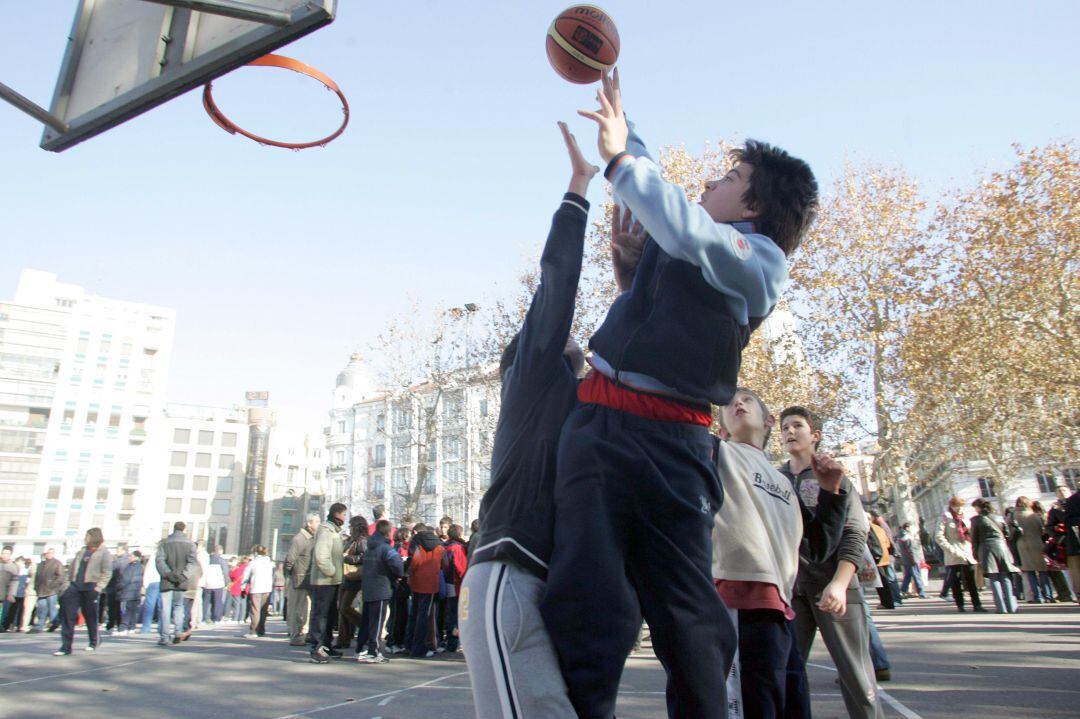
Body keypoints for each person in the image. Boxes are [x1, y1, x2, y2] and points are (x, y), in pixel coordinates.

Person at [542, 68, 818, 719]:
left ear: (753, 209)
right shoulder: (685, 244)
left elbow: (689, 231)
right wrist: (626, 127)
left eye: (727, 181)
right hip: (601, 429)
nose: (709, 184)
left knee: (692, 619)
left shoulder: (759, 261)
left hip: (675, 448)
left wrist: (620, 157)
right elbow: (670, 277)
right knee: (591, 602)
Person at [460, 120, 593, 719]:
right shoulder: (535, 370)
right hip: (506, 575)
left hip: (544, 578)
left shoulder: (572, 403)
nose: (576, 340)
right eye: (566, 338)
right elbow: (557, 284)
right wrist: (577, 191)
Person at [712, 389, 847, 718]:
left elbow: (816, 546)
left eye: (747, 399)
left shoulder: (783, 482)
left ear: (769, 419)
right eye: (729, 402)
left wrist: (831, 492)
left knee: (793, 706)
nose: (738, 403)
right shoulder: (717, 453)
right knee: (755, 707)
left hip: (782, 610)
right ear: (722, 429)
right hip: (739, 600)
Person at [779, 406, 884, 719]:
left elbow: (854, 534)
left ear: (815, 435)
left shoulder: (835, 477)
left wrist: (839, 584)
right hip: (790, 593)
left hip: (835, 589)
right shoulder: (774, 478)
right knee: (784, 678)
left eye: (798, 425)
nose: (789, 431)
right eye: (785, 426)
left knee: (857, 679)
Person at [55, 528, 113, 655]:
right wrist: (66, 585)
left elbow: (107, 572)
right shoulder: (82, 551)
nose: (85, 538)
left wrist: (98, 588)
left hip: (91, 587)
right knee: (68, 616)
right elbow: (72, 569)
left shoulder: (104, 552)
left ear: (94, 537)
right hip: (74, 587)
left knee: (90, 616)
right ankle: (66, 646)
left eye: (87, 536)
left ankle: (94, 640)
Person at [357, 519, 404, 663]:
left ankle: (361, 648)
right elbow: (397, 565)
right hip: (381, 587)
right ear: (388, 532)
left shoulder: (370, 546)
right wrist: (399, 575)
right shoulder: (386, 548)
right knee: (377, 622)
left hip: (368, 586)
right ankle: (374, 651)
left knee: (366, 620)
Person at [309, 503, 347, 663]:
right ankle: (317, 647)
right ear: (337, 514)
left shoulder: (334, 531)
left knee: (330, 614)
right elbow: (321, 555)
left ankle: (326, 645)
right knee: (321, 615)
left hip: (332, 580)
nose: (345, 518)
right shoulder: (326, 531)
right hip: (324, 580)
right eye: (344, 514)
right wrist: (332, 571)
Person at [936, 497, 985, 612]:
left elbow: (971, 532)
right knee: (955, 580)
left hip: (967, 551)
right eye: (957, 506)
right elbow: (938, 536)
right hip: (954, 552)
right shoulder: (945, 517)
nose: (959, 508)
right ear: (952, 506)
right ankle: (960, 604)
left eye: (961, 506)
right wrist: (951, 549)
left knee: (971, 579)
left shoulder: (965, 516)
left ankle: (977, 604)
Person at [970, 499, 1018, 613]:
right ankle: (1011, 606)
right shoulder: (999, 517)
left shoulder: (976, 520)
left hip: (986, 548)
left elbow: (974, 538)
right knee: (1005, 576)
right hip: (1001, 546)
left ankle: (1001, 607)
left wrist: (975, 553)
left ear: (978, 507)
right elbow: (1007, 533)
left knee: (994, 577)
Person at [405, 523, 444, 658]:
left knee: (414, 614)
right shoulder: (439, 545)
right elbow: (445, 564)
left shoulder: (417, 543)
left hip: (416, 581)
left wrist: (410, 573)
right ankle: (419, 648)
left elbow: (414, 561)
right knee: (424, 616)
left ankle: (409, 645)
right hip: (431, 583)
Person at [156, 521, 197, 646]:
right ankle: (178, 632)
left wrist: (168, 573)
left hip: (167, 580)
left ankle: (165, 636)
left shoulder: (164, 543)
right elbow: (192, 562)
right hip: (181, 580)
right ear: (184, 529)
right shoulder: (190, 544)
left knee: (165, 609)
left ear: (173, 529)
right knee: (179, 607)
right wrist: (184, 575)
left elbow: (160, 561)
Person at [286, 514, 318, 646]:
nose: (318, 524)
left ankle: (304, 634)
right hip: (299, 579)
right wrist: (292, 575)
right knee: (297, 610)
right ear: (309, 523)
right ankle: (295, 636)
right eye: (317, 522)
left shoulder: (311, 538)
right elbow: (290, 560)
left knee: (308, 610)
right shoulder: (299, 539)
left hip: (309, 579)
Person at [337, 516, 368, 649]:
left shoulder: (361, 540)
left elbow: (364, 557)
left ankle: (364, 628)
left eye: (351, 525)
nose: (348, 528)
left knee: (345, 607)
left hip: (355, 577)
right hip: (346, 576)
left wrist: (347, 558)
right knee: (342, 609)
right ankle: (343, 639)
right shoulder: (350, 540)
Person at [1014, 496, 1053, 602]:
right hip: (1037, 543)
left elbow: (1011, 532)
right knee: (1042, 570)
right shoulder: (1034, 515)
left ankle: (1038, 596)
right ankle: (1048, 595)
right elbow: (1042, 530)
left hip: (1022, 544)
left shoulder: (1014, 516)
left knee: (1030, 571)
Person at [385, 526, 413, 654]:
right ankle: (392, 642)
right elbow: (396, 566)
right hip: (398, 586)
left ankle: (399, 640)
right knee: (396, 615)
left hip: (404, 586)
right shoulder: (397, 548)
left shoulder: (406, 548)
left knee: (403, 614)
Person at [242, 545, 274, 638]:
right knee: (263, 610)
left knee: (255, 610)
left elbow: (246, 575)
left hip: (256, 587)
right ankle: (261, 629)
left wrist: (243, 586)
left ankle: (253, 631)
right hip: (267, 588)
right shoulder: (269, 562)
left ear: (255, 552)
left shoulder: (254, 562)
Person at [31, 548, 64, 633]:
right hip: (41, 590)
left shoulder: (57, 563)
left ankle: (55, 622)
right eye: (46, 553)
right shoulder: (41, 564)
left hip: (52, 591)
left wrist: (52, 585)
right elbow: (37, 577)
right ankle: (39, 626)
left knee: (52, 608)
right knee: (41, 608)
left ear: (53, 553)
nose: (48, 554)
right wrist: (36, 587)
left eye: (50, 553)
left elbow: (60, 577)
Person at [896, 522, 927, 599]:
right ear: (908, 528)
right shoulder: (907, 537)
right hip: (912, 560)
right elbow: (910, 550)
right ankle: (922, 593)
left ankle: (902, 591)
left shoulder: (901, 537)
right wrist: (913, 560)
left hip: (906, 560)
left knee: (907, 577)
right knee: (917, 576)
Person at [117, 550, 144, 634]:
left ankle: (123, 627)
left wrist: (118, 587)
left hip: (128, 591)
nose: (129, 557)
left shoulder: (131, 567)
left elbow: (125, 579)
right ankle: (131, 627)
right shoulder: (140, 566)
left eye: (131, 556)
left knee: (126, 610)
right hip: (136, 591)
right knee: (133, 610)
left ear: (136, 557)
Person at [202, 545, 229, 625]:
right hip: (218, 583)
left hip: (207, 583)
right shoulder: (222, 561)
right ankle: (216, 619)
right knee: (217, 602)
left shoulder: (208, 559)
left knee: (206, 602)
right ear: (220, 551)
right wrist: (226, 583)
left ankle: (204, 618)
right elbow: (225, 573)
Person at [140, 545, 161, 635]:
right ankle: (161, 627)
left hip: (152, 581)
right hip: (163, 581)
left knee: (149, 605)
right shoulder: (169, 554)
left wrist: (145, 583)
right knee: (162, 606)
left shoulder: (154, 556)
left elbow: (148, 570)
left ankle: (146, 627)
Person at [0, 546, 18, 632]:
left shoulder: (13, 567)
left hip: (4, 593)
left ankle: (1, 624)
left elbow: (15, 581)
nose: (4, 555)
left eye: (7, 554)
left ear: (10, 555)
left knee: (2, 611)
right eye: (3, 553)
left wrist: (12, 593)